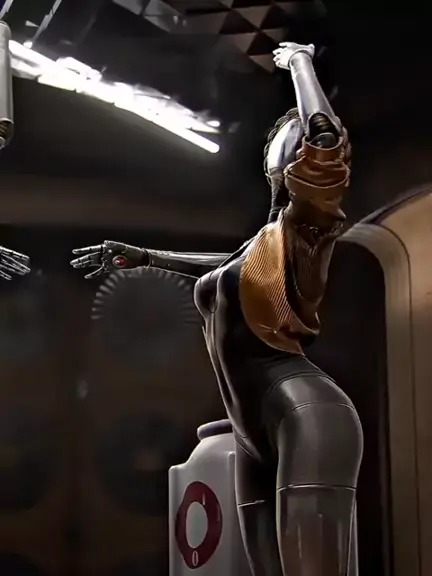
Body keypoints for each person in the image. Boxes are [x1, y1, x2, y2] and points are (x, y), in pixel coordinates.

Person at [70, 42, 363, 576]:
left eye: (299, 132)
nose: (298, 140)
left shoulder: (308, 227)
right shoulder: (261, 247)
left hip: (305, 412)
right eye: (288, 134)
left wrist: (299, 60)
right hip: (251, 432)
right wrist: (148, 257)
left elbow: (324, 137)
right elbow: (229, 267)